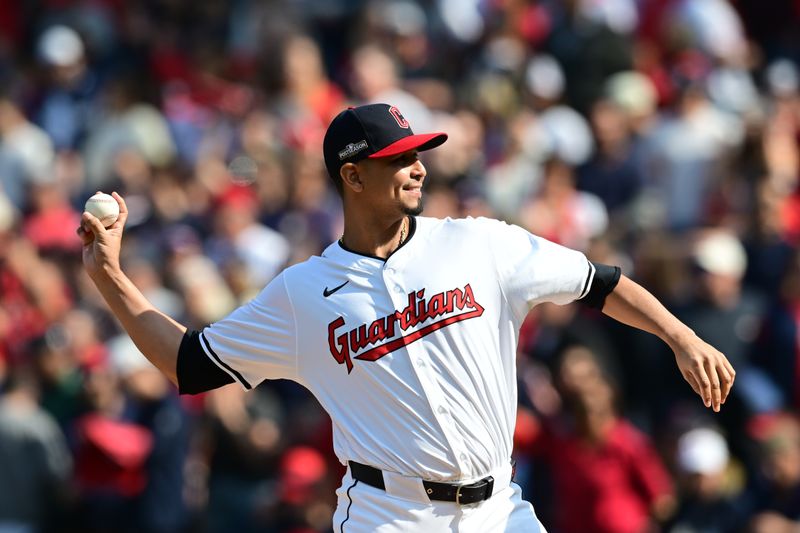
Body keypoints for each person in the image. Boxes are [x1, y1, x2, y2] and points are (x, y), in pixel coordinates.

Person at [77, 103, 736, 532]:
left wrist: (680, 334)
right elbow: (188, 361)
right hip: (389, 515)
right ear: (353, 176)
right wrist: (109, 277)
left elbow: (600, 282)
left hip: (500, 509)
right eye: (399, 158)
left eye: (418, 154)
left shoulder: (480, 243)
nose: (418, 167)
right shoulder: (304, 293)